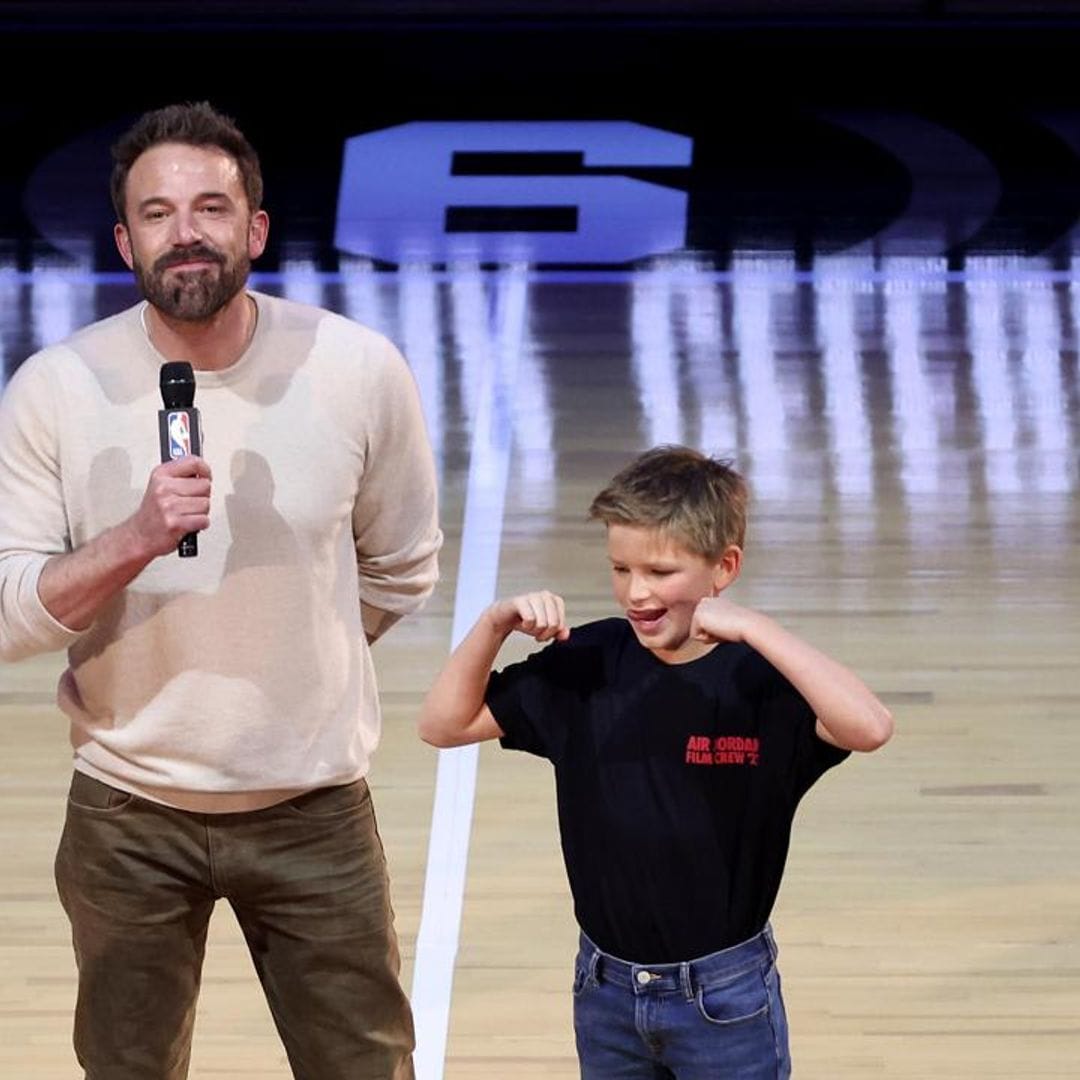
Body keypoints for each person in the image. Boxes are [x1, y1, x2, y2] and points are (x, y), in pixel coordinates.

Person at [0, 101, 441, 1079]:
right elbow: (5, 610)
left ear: (256, 229)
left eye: (210, 206)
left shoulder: (356, 369)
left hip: (315, 807)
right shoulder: (56, 390)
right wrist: (134, 540)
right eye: (157, 213)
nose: (186, 231)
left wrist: (294, 657)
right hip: (128, 813)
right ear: (124, 240)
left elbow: (404, 565)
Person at [419, 445, 892, 1079]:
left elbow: (870, 727)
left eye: (661, 573)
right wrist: (494, 625)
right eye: (621, 569)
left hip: (725, 1000)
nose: (636, 593)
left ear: (723, 568)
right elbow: (443, 725)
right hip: (605, 989)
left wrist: (754, 628)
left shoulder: (761, 683)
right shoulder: (587, 663)